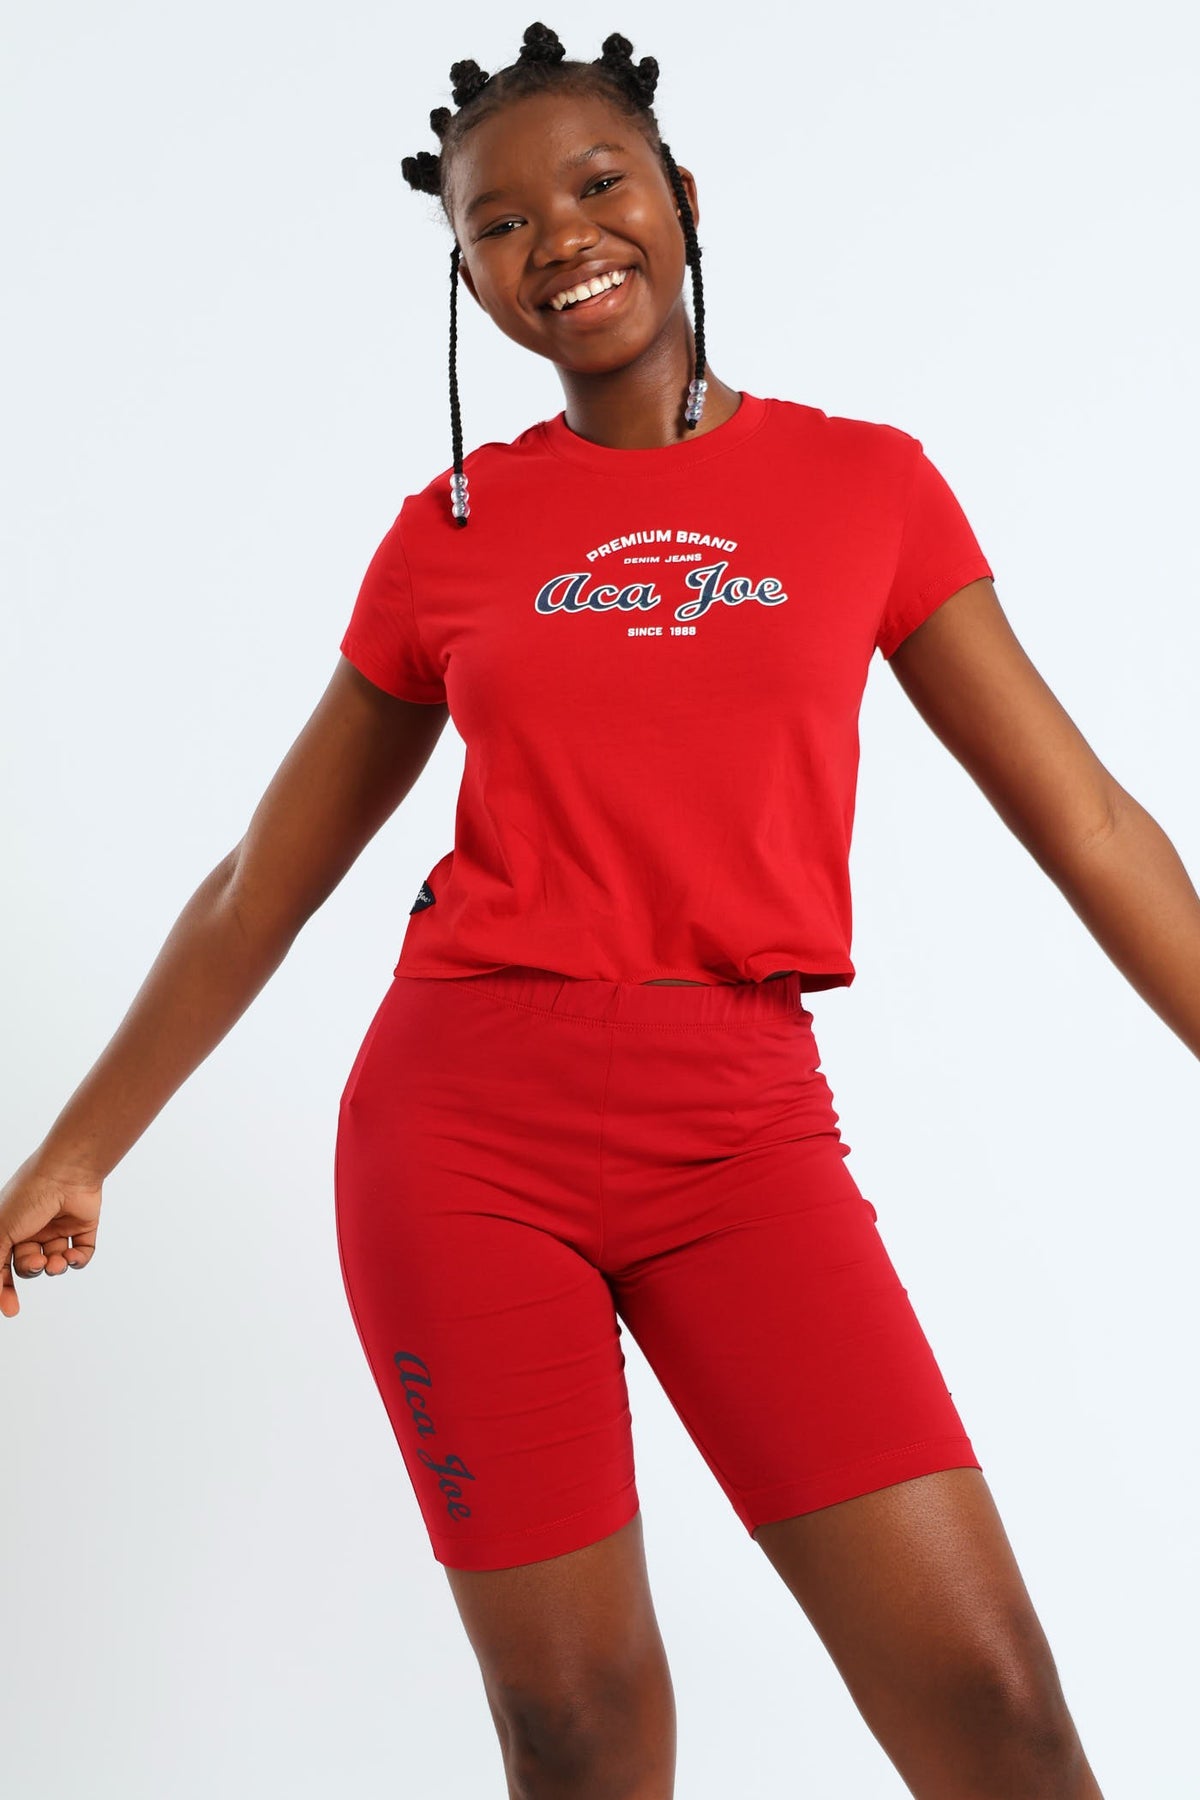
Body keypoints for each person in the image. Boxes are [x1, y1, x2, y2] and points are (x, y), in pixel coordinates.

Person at [5, 19, 1197, 1799]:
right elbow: (265, 878)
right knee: (578, 1732)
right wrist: (81, 1143)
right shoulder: (453, 530)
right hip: (463, 1136)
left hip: (743, 1130)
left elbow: (1090, 822)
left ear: (681, 196)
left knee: (995, 1708)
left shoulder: (865, 485)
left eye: (595, 184)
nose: (556, 239)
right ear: (467, 278)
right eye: (496, 224)